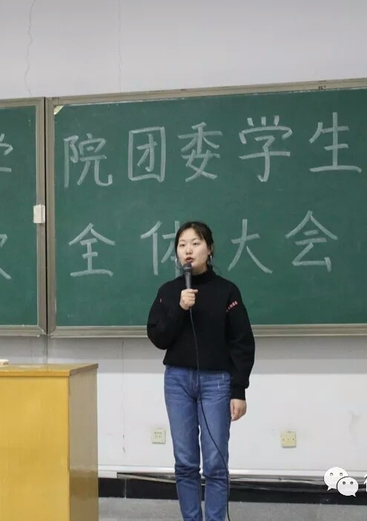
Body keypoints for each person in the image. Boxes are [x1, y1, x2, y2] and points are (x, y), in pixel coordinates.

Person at [146, 220, 256, 521]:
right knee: (185, 462)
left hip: (217, 383)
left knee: (215, 463)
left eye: (195, 243)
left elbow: (242, 343)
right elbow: (158, 337)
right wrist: (180, 309)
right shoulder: (169, 292)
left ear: (209, 249)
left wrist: (238, 389)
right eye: (182, 245)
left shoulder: (227, 291)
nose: (188, 250)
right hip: (177, 381)